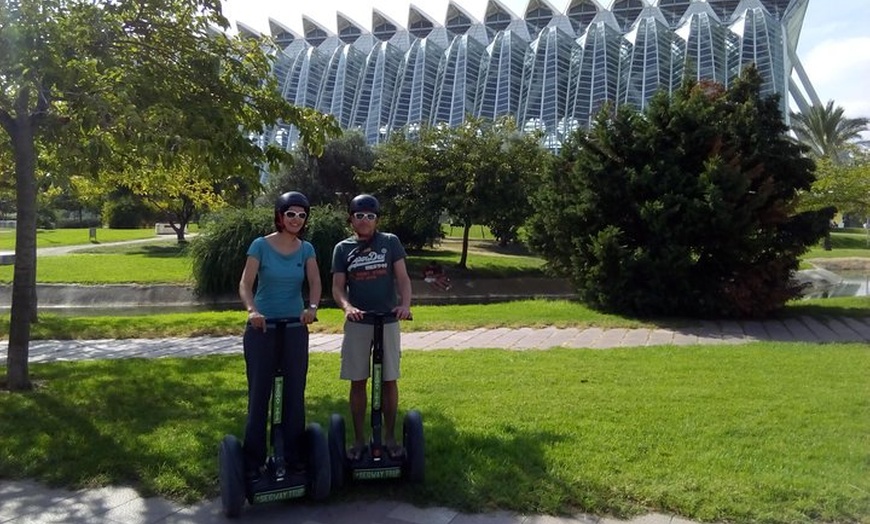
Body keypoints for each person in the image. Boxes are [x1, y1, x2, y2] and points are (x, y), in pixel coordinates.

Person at [238, 191, 321, 482]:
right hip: (263, 328)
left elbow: (314, 282)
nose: (296, 219)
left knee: (294, 394)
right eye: (291, 214)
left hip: (295, 328)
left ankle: (293, 457)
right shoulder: (260, 245)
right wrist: (252, 311)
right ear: (279, 215)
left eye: (301, 215)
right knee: (260, 394)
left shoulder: (306, 249)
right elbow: (246, 284)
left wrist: (311, 308)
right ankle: (253, 460)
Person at [331, 194, 412, 461]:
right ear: (351, 218)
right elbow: (337, 288)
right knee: (358, 380)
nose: (365, 220)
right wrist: (347, 307)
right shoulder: (342, 248)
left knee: (389, 379)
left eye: (370, 216)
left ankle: (389, 437)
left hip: (387, 319)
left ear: (377, 219)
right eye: (359, 215)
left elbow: (402, 278)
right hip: (359, 321)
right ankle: (358, 439)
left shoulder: (390, 242)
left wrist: (405, 305)